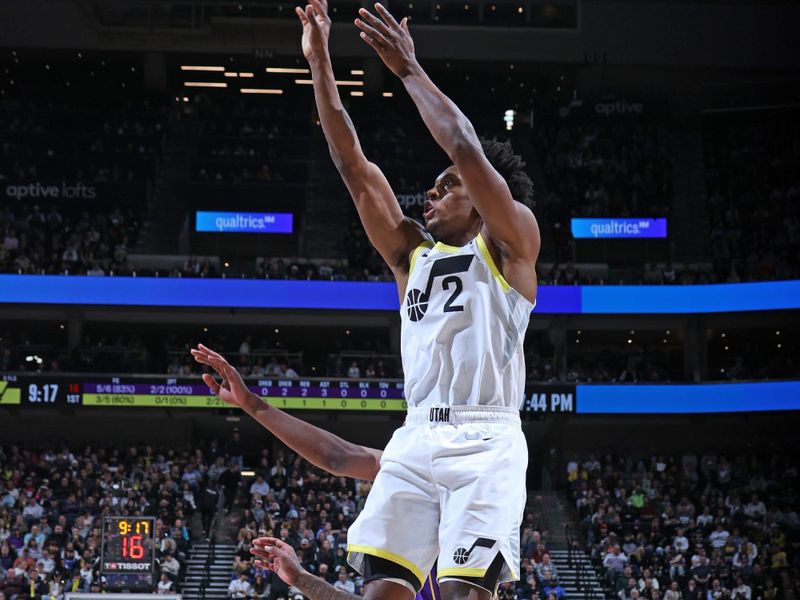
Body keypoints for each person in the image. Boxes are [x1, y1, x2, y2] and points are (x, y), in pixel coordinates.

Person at [257, 0, 538, 598]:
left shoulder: (512, 243)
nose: (430, 193)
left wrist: (410, 70)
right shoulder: (413, 257)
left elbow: (464, 146)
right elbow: (353, 166)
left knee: (464, 592)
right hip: (413, 438)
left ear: (486, 198)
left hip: (486, 439)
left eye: (447, 187)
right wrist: (320, 60)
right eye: (432, 187)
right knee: (379, 592)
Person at [190, 346, 440, 600]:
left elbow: (339, 456)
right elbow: (337, 456)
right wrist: (300, 578)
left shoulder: (465, 479)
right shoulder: (414, 473)